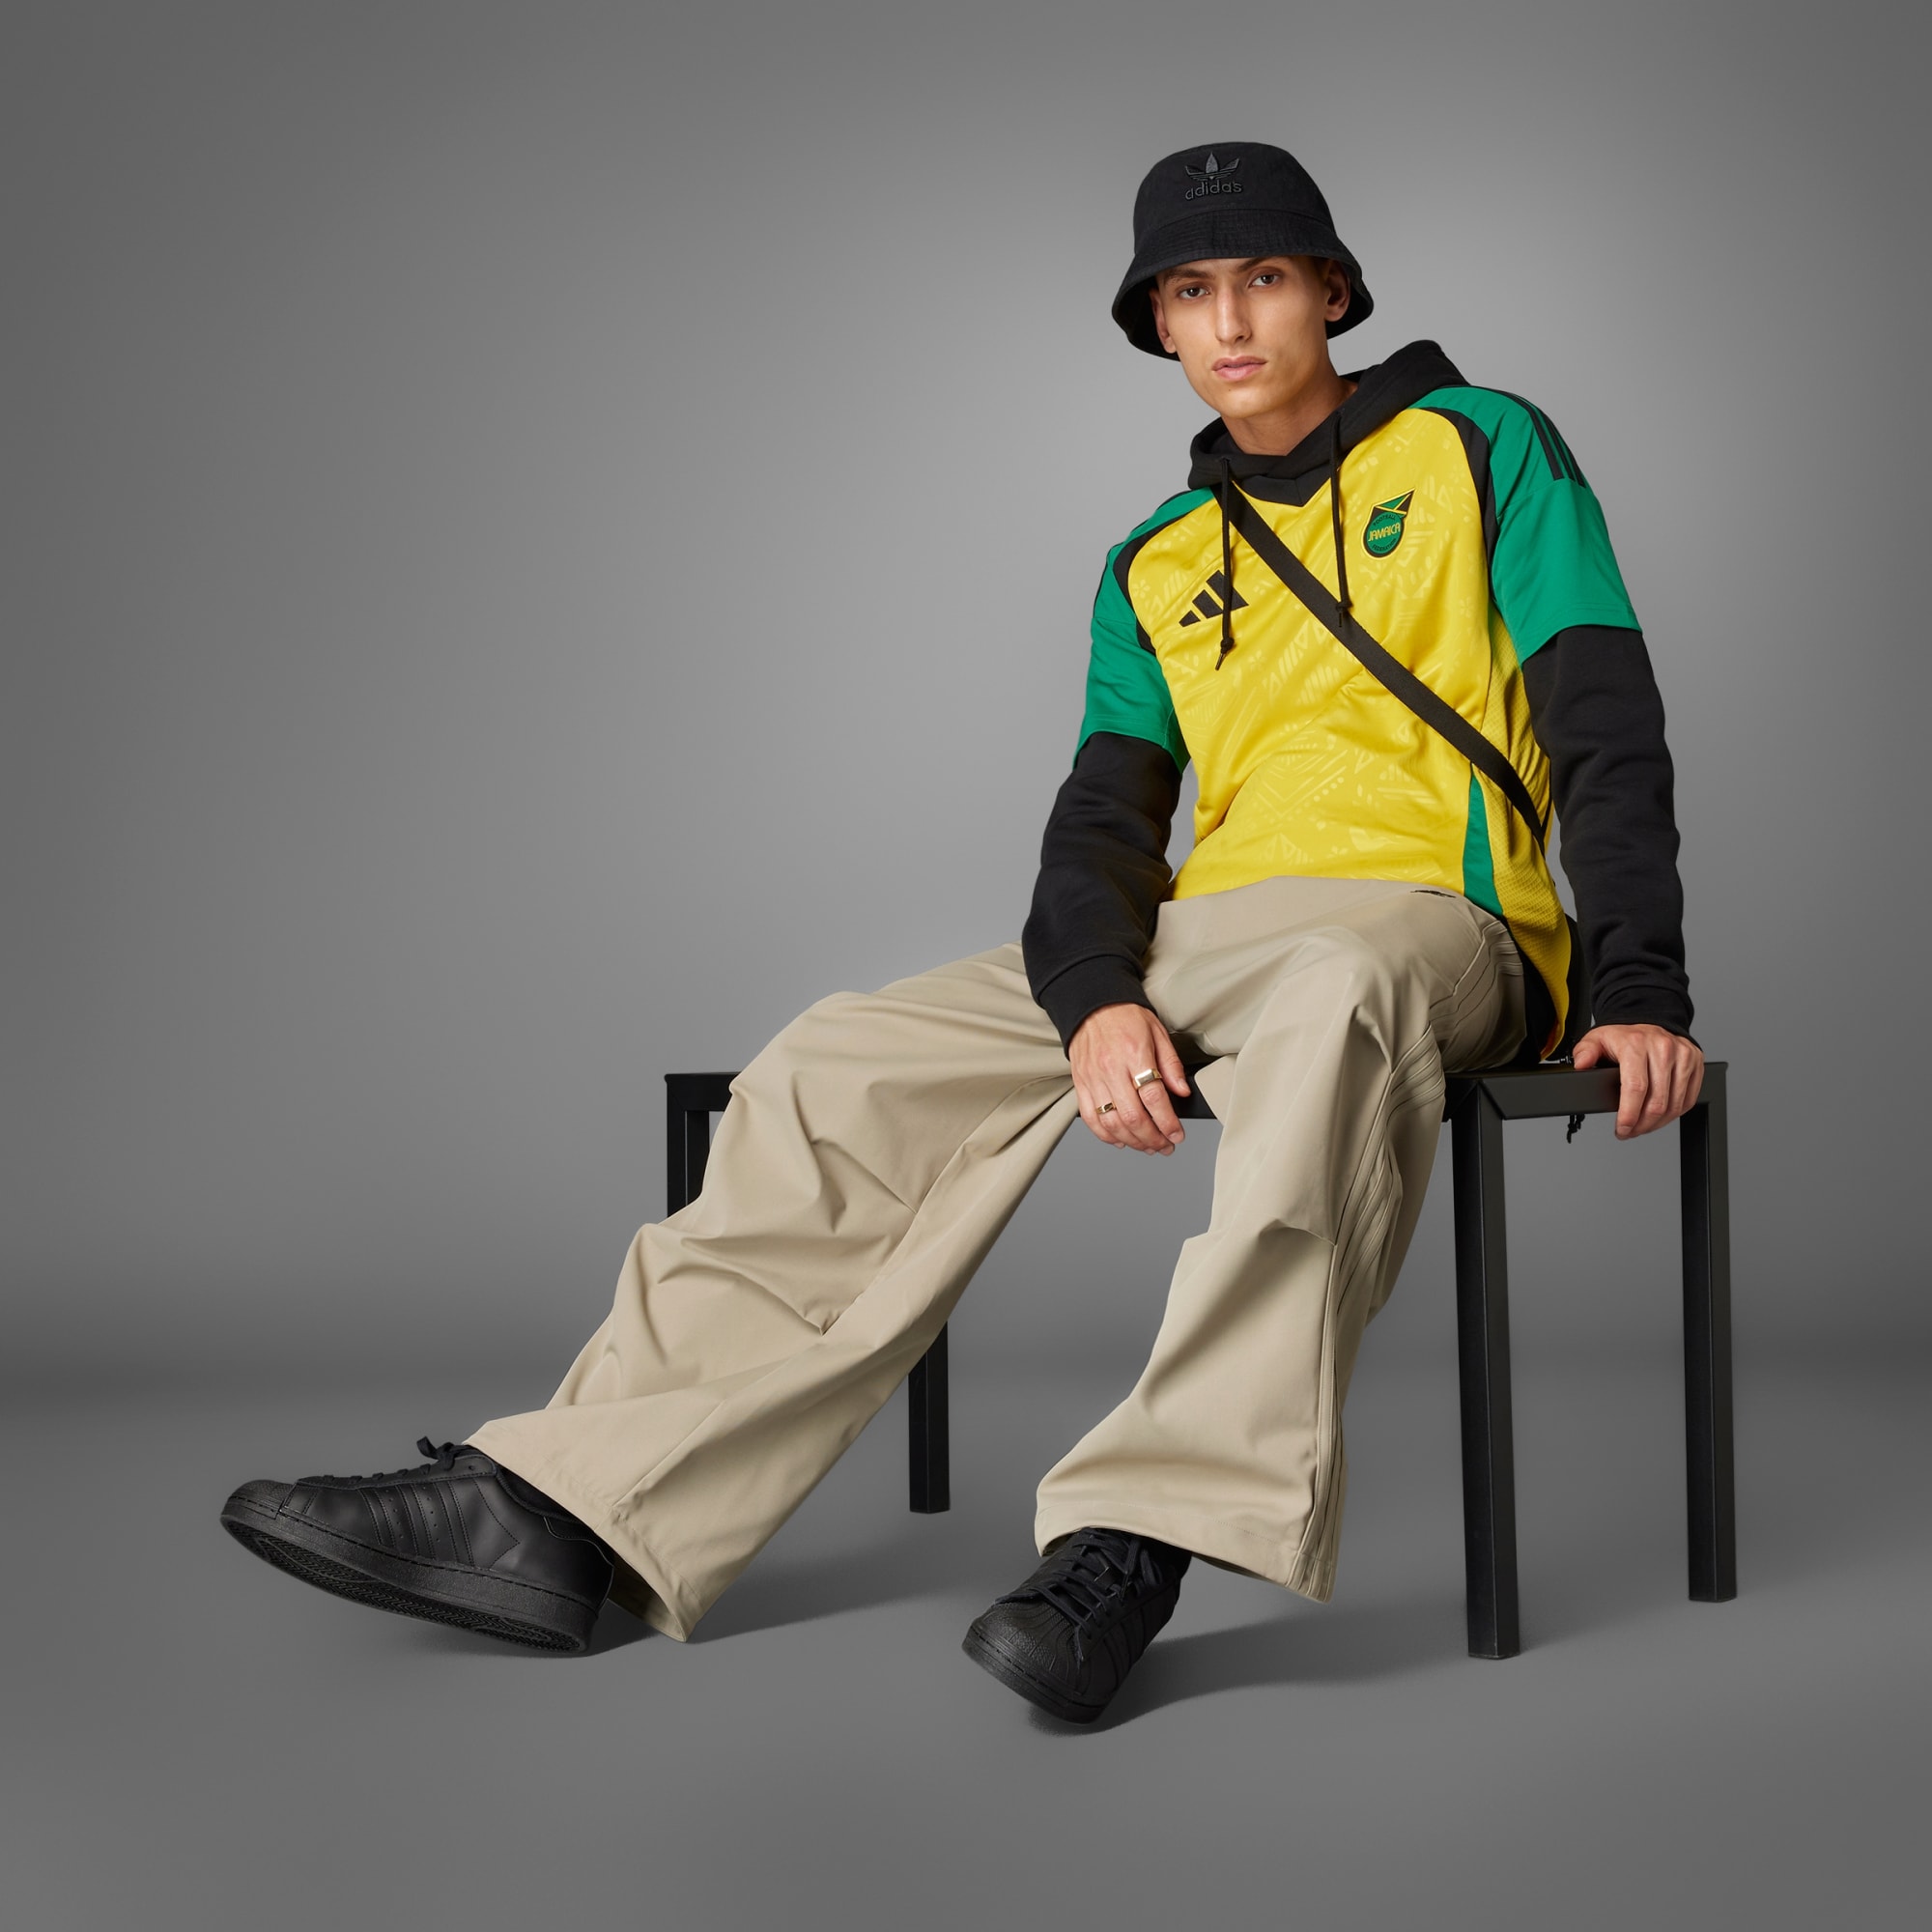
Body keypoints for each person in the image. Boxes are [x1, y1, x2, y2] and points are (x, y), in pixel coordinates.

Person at [220, 141, 1701, 1724]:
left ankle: (1141, 1535)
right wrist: (1096, 996)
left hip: (1437, 916)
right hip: (1212, 931)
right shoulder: (1154, 563)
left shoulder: (1485, 446)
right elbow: (1103, 822)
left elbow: (1601, 717)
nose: (1229, 321)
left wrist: (1638, 982)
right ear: (1157, 322)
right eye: (1189, 291)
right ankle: (565, 1506)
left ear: (1332, 290)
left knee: (1336, 995)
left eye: (1264, 278)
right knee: (838, 1056)